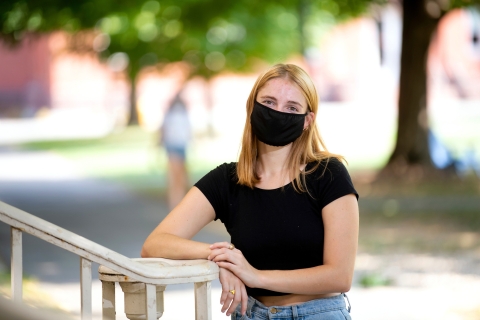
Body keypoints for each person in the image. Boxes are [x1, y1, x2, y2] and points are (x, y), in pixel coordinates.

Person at [142, 64, 359, 319]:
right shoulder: (227, 181)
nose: (278, 113)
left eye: (292, 107)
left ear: (307, 121)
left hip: (318, 313)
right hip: (250, 313)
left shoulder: (328, 174)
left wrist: (254, 275)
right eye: (269, 101)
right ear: (252, 107)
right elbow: (155, 244)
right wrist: (224, 257)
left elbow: (339, 276)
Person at [159, 90, 192, 210]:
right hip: (177, 146)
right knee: (177, 176)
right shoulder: (179, 114)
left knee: (178, 176)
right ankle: (175, 202)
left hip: (177, 146)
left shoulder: (174, 114)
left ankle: (177, 202)